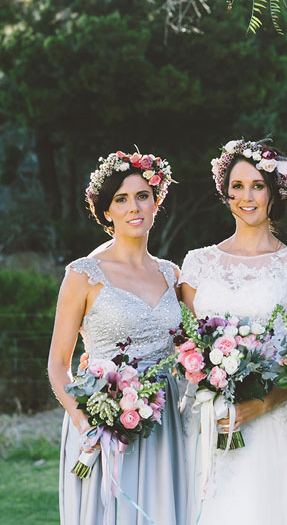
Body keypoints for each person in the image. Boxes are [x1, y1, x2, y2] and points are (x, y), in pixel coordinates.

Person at [48, 150, 187, 525]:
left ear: (156, 201)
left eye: (142, 195)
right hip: (103, 420)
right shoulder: (83, 275)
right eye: (120, 199)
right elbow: (59, 364)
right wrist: (85, 423)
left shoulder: (173, 275)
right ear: (106, 211)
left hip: (165, 420)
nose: (134, 207)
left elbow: (190, 345)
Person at [180, 139, 287, 525]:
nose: (246, 196)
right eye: (237, 186)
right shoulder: (198, 263)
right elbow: (185, 344)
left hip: (269, 421)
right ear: (225, 193)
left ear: (274, 193)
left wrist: (263, 403)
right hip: (207, 420)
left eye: (257, 185)